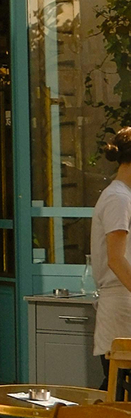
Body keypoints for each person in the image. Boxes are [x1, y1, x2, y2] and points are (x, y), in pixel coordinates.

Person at [93, 127, 131, 389]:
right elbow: (116, 259)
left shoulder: (123, 195)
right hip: (121, 309)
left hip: (122, 305)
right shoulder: (118, 198)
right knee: (118, 394)